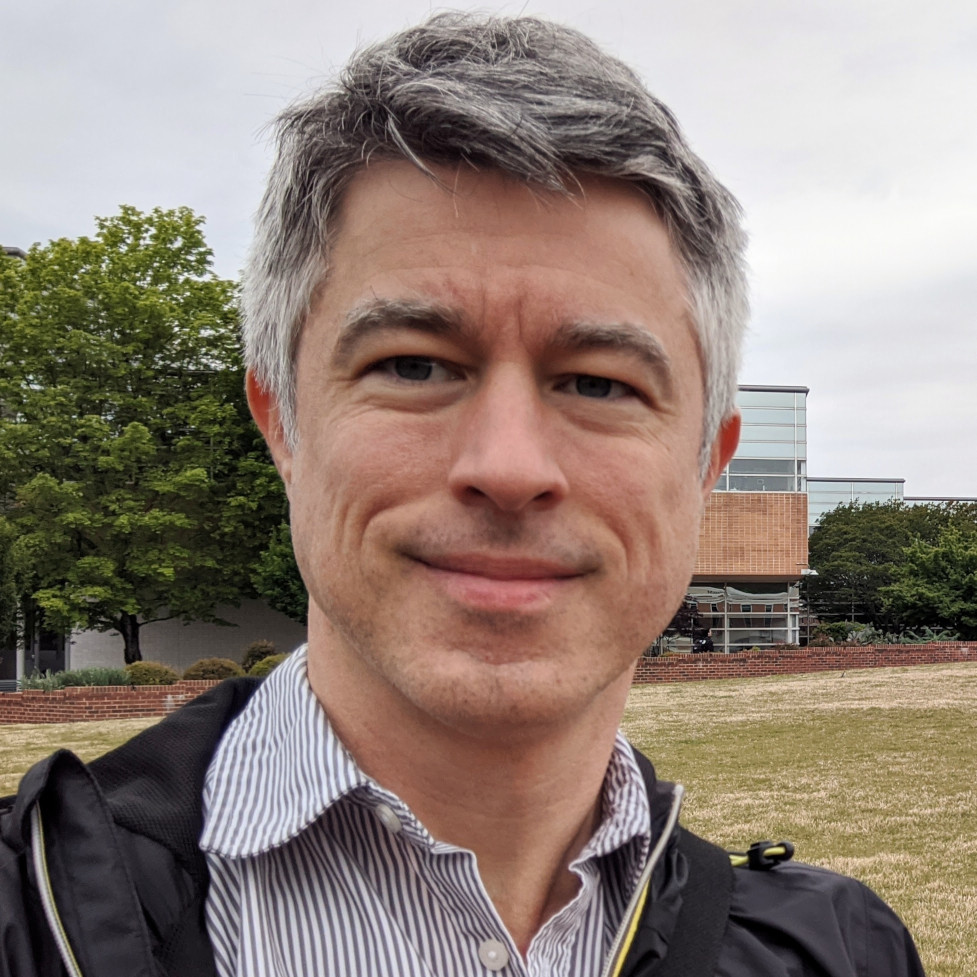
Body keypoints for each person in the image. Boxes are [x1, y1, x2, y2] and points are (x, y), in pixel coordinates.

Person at [0, 13, 925, 977]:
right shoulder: (29, 913)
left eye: (599, 381)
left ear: (703, 461)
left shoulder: (839, 952)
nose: (510, 464)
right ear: (281, 423)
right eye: (414, 365)